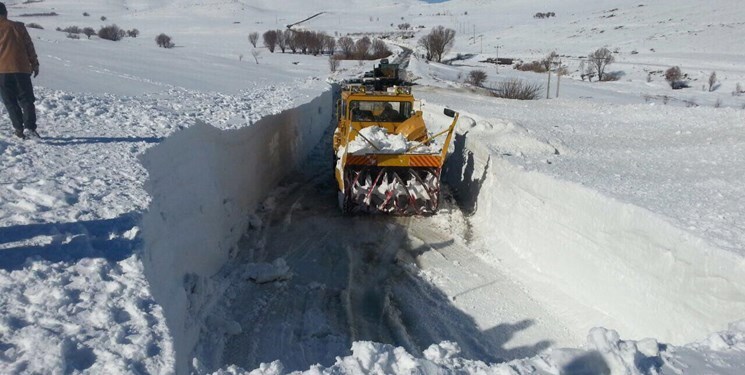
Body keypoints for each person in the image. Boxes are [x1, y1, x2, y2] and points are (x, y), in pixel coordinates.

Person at [0, 2, 40, 139]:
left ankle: (18, 129)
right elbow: (29, 46)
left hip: (2, 71)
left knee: (10, 101)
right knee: (26, 99)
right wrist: (35, 63)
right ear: (5, 13)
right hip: (21, 68)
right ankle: (30, 128)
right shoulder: (18, 26)